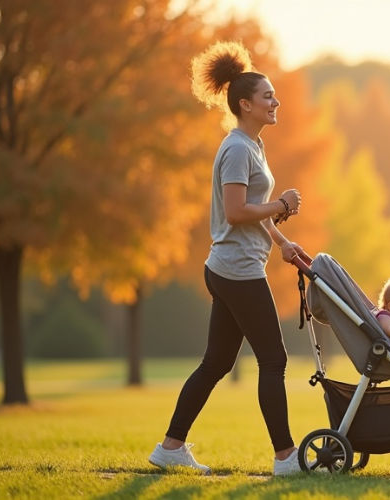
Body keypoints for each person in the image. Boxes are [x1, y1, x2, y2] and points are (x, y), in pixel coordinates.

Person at [148, 41, 304, 477]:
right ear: (245, 104)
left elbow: (252, 209)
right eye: (268, 96)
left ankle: (170, 447)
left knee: (216, 362)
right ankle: (286, 457)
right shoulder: (237, 148)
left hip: (231, 266)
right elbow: (236, 212)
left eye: (275, 95)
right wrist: (281, 204)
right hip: (237, 270)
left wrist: (280, 240)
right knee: (273, 360)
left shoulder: (254, 145)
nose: (276, 102)